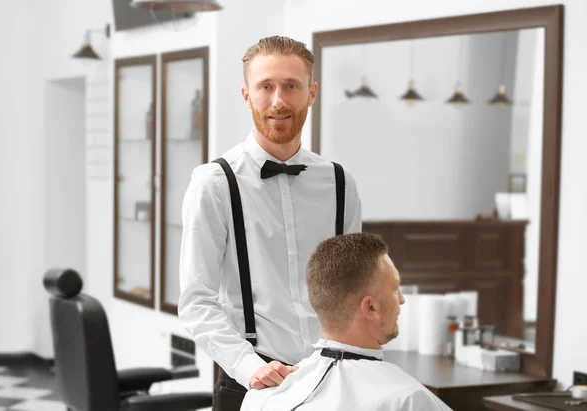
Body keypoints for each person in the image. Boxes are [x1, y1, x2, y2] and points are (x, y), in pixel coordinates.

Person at [178, 36, 362, 411]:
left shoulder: (341, 184)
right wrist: (249, 368)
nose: (278, 100)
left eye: (291, 86)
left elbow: (353, 289)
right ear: (247, 95)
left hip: (328, 383)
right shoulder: (214, 183)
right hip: (249, 385)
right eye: (266, 86)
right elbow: (196, 300)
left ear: (311, 93)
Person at [240, 233, 452, 411]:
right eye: (394, 288)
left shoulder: (260, 397)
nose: (402, 299)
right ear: (371, 308)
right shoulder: (407, 400)